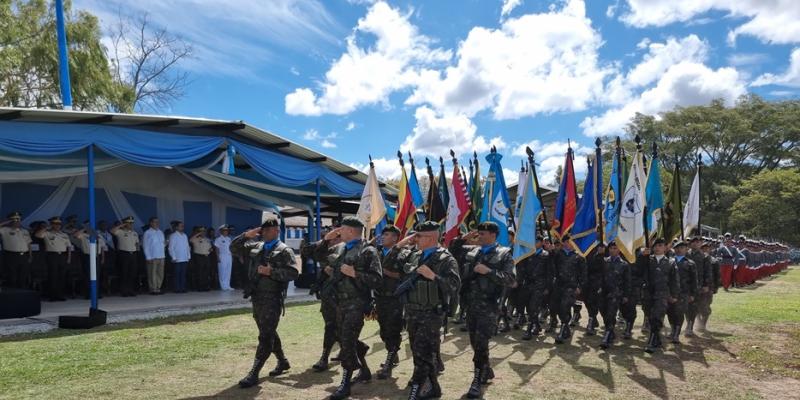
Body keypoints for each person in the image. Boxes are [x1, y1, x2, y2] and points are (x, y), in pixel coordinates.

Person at [308, 217, 382, 400]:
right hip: (338, 303)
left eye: (342, 229)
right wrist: (325, 240)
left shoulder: (367, 251)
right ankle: (364, 369)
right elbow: (314, 255)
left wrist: (355, 273)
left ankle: (345, 384)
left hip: (356, 303)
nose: (339, 231)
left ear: (350, 231)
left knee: (347, 342)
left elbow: (377, 280)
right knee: (344, 338)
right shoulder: (341, 248)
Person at [449, 222, 515, 399]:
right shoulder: (473, 251)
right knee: (474, 341)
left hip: (489, 306)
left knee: (480, 343)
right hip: (470, 305)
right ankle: (486, 369)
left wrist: (489, 271)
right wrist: (464, 238)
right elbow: (452, 251)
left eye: (483, 233)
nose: (479, 236)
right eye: (478, 233)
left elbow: (510, 280)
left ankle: (477, 380)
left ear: (493, 235)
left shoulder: (504, 254)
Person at [233, 215, 299, 388]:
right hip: (257, 297)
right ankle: (282, 361)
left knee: (265, 335)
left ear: (276, 231)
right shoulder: (257, 246)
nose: (265, 233)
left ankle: (254, 373)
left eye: (269, 230)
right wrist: (246, 235)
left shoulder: (284, 251)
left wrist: (272, 272)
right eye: (264, 230)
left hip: (272, 298)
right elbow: (234, 248)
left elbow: (293, 273)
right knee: (267, 331)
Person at [399, 221, 460, 400]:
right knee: (416, 350)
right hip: (412, 311)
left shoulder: (446, 259)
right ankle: (432, 386)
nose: (415, 238)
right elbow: (389, 263)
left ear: (432, 237)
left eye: (418, 236)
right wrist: (401, 244)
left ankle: (420, 387)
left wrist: (433, 276)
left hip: (431, 313)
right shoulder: (414, 255)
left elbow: (455, 287)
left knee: (423, 351)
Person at [372, 225, 414, 380]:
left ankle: (389, 362)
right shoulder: (376, 252)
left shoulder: (404, 254)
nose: (383, 237)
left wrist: (390, 274)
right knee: (384, 330)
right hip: (380, 297)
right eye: (383, 235)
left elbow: (409, 276)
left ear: (395, 238)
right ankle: (393, 353)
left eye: (387, 235)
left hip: (395, 298)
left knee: (393, 329)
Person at [302, 232, 342, 373]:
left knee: (339, 327)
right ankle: (329, 356)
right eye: (331, 237)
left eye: (336, 237)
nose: (332, 240)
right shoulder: (326, 251)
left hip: (343, 298)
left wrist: (335, 273)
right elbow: (306, 251)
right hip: (328, 297)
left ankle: (327, 357)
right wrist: (323, 241)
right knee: (331, 326)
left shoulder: (349, 251)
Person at [638, 238, 679, 353]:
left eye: (660, 245)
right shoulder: (647, 259)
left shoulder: (670, 262)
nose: (657, 248)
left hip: (662, 294)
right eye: (655, 245)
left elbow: (674, 280)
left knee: (657, 316)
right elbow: (638, 270)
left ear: (665, 247)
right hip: (648, 293)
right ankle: (657, 339)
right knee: (650, 316)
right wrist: (642, 256)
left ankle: (651, 342)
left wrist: (674, 294)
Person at [515, 236, 553, 340]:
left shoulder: (546, 255)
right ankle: (536, 325)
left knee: (533, 306)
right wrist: (518, 281)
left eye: (537, 241)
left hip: (540, 285)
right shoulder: (527, 254)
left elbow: (550, 273)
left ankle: (529, 329)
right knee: (527, 306)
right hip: (528, 284)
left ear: (541, 243)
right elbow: (522, 269)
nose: (534, 243)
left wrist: (548, 287)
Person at [552, 235, 587, 345]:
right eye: (566, 241)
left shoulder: (579, 256)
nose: (568, 243)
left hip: (571, 287)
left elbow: (583, 274)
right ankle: (566, 326)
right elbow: (552, 265)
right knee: (557, 307)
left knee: (565, 306)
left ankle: (562, 330)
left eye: (570, 241)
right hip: (559, 285)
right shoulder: (558, 254)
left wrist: (580, 287)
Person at [599, 241, 631, 349]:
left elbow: (627, 281)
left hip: (616, 293)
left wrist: (626, 295)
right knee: (603, 311)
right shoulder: (604, 261)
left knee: (611, 313)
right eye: (611, 248)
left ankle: (607, 336)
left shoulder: (624, 264)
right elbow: (599, 275)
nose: (612, 250)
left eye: (615, 248)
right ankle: (610, 331)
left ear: (619, 250)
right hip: (604, 292)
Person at [668, 241, 697, 344]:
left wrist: (693, 294)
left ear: (686, 249)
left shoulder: (690, 263)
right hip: (671, 292)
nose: (679, 250)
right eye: (677, 248)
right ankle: (672, 330)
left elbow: (694, 280)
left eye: (682, 248)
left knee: (679, 313)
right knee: (670, 312)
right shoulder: (669, 261)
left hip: (683, 292)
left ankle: (676, 334)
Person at [36, 217, 71, 301]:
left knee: (62, 276)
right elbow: (37, 235)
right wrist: (47, 228)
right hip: (52, 255)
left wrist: (69, 258)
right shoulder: (47, 233)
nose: (58, 226)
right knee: (53, 276)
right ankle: (52, 296)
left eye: (59, 224)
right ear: (52, 224)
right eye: (55, 224)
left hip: (62, 255)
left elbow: (69, 247)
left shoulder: (64, 234)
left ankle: (60, 295)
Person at [686, 236, 713, 337]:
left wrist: (706, 285)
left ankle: (698, 324)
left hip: (700, 285)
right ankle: (689, 326)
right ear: (690, 243)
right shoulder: (686, 254)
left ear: (701, 244)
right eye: (694, 242)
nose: (696, 244)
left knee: (701, 306)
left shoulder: (705, 256)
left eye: (698, 242)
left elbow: (707, 272)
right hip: (687, 284)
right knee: (688, 306)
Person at [73, 221, 107, 297]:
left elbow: (102, 247)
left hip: (97, 256)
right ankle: (88, 293)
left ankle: (96, 293)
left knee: (97, 275)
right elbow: (75, 235)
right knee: (88, 275)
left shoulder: (98, 235)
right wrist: (84, 228)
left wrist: (102, 258)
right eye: (88, 225)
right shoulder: (83, 235)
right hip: (88, 256)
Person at [0, 212, 32, 288]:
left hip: (24, 255)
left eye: (19, 220)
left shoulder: (25, 231)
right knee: (12, 275)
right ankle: (12, 291)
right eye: (15, 220)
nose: (17, 221)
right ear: (11, 221)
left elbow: (29, 244)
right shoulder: (5, 230)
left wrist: (30, 255)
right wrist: (8, 222)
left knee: (23, 274)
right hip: (11, 255)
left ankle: (22, 290)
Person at [112, 216, 140, 297]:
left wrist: (137, 252)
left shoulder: (134, 233)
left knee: (132, 273)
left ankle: (130, 290)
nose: (131, 224)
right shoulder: (120, 232)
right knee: (124, 273)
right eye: (129, 223)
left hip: (133, 254)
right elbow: (112, 231)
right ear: (125, 223)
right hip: (124, 254)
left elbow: (137, 243)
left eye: (132, 223)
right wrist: (121, 225)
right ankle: (124, 291)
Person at [697, 241, 721, 332]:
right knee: (696, 306)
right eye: (703, 248)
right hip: (698, 286)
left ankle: (703, 324)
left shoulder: (714, 261)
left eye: (707, 248)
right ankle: (699, 321)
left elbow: (717, 276)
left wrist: (715, 288)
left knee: (706, 306)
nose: (705, 250)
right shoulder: (697, 260)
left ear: (710, 249)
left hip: (709, 288)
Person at [584, 243, 606, 336]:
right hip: (589, 281)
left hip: (604, 281)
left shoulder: (608, 248)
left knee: (603, 306)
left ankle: (608, 324)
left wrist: (602, 254)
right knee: (589, 302)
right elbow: (589, 265)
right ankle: (592, 320)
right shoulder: (590, 246)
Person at [142, 217, 166, 295]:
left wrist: (165, 243)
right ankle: (153, 289)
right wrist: (148, 257)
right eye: (155, 222)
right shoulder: (147, 233)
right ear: (151, 223)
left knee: (160, 273)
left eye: (158, 222)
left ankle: (158, 288)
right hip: (152, 256)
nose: (157, 223)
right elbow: (145, 245)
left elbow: (163, 244)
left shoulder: (160, 232)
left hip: (161, 255)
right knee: (152, 273)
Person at [168, 221, 190, 293]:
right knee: (177, 274)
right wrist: (173, 257)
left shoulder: (185, 235)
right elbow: (171, 248)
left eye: (183, 226)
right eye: (181, 226)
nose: (182, 227)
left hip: (184, 258)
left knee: (183, 274)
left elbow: (187, 246)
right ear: (177, 227)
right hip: (177, 258)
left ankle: (182, 288)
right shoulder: (173, 236)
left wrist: (188, 256)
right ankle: (177, 289)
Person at [190, 227, 213, 291]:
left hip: (207, 257)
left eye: (204, 231)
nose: (203, 232)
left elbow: (210, 247)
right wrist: (198, 234)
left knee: (206, 272)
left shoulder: (207, 239)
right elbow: (190, 240)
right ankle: (200, 287)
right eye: (201, 231)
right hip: (199, 257)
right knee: (200, 272)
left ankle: (205, 286)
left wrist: (210, 249)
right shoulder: (196, 239)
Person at [215, 225, 234, 291]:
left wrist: (232, 256)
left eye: (227, 230)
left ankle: (228, 285)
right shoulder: (218, 239)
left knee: (228, 271)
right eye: (224, 230)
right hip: (222, 256)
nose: (226, 232)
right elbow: (217, 249)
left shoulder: (229, 239)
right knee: (222, 271)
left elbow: (231, 248)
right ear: (221, 231)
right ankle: (223, 286)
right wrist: (218, 257)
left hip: (229, 256)